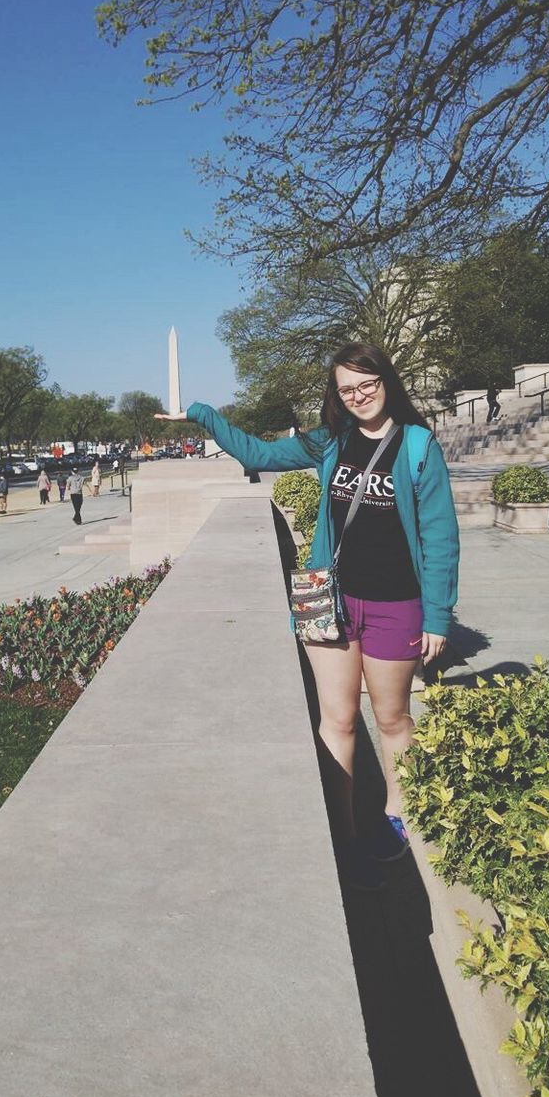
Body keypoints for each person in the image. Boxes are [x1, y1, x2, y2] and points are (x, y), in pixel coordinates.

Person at [155, 342, 460, 890]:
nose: (359, 395)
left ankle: (396, 814)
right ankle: (342, 831)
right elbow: (258, 455)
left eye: (367, 383)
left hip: (396, 605)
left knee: (392, 719)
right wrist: (201, 414)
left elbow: (440, 535)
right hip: (329, 599)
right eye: (347, 387)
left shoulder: (418, 446)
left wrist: (436, 616)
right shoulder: (329, 442)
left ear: (386, 382)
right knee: (337, 720)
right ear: (336, 395)